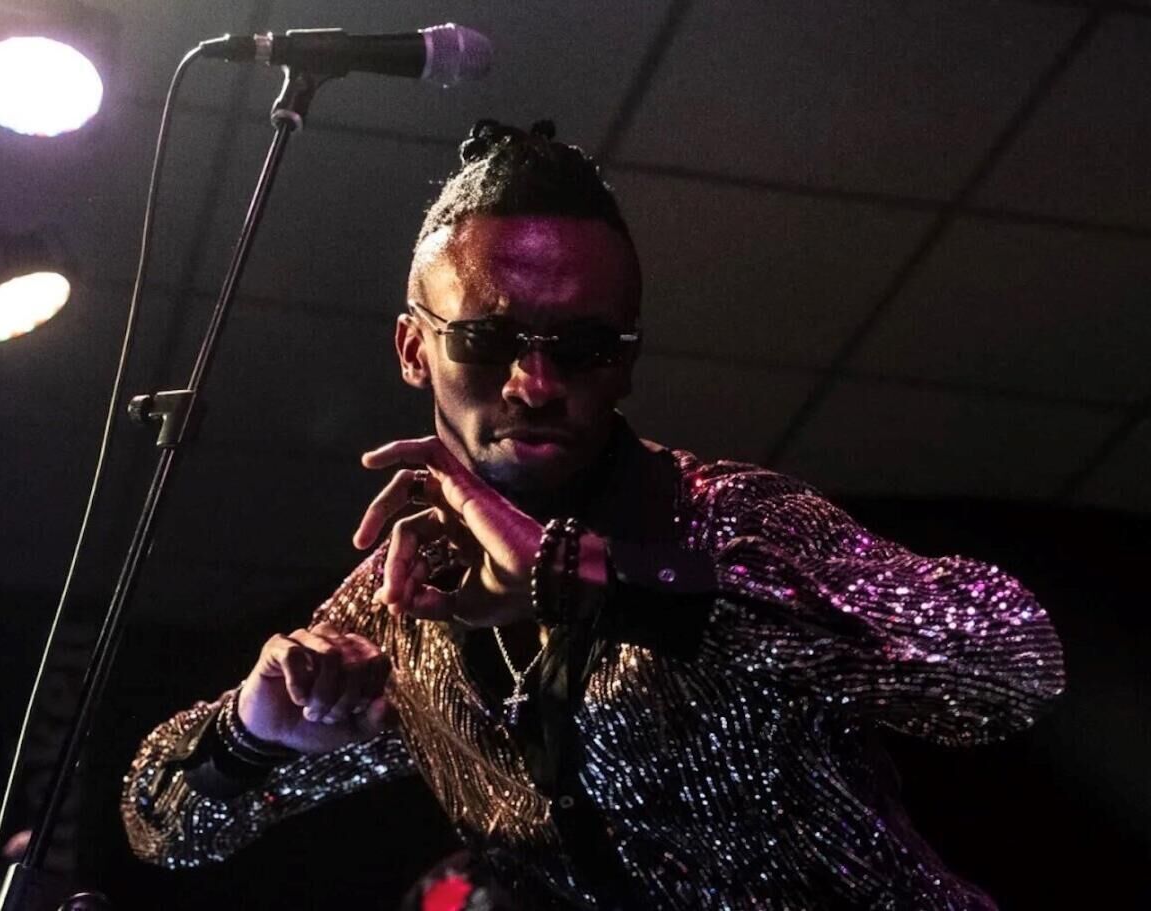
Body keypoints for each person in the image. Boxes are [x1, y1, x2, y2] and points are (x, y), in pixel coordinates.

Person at [121, 120, 1065, 910]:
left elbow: (1010, 664)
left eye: (583, 345)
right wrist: (251, 736)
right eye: (487, 338)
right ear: (413, 348)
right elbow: (163, 826)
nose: (536, 383)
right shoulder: (402, 606)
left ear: (625, 362)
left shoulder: (729, 518)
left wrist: (610, 580)